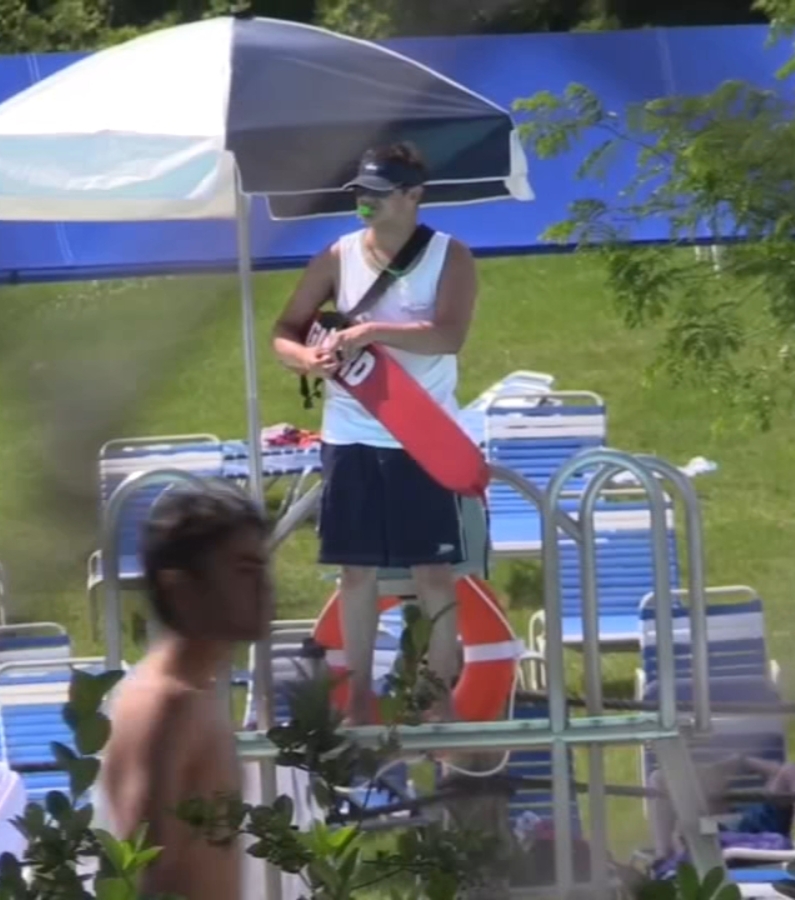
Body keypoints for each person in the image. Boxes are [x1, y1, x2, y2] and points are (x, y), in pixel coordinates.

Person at [270, 141, 479, 725]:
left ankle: (438, 701)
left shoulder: (449, 256)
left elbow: (448, 336)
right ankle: (360, 699)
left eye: (377, 193)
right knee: (355, 572)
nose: (364, 202)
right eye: (360, 191)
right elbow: (285, 330)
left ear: (413, 196)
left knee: (433, 573)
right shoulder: (336, 256)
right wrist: (304, 361)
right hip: (351, 431)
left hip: (421, 431)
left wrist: (370, 332)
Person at [99, 483, 275, 900]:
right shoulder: (167, 705)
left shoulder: (197, 692)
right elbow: (143, 874)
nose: (265, 588)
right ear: (181, 586)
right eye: (245, 571)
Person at [645, 754, 795, 860]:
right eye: (698, 774)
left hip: (756, 829)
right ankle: (662, 857)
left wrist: (743, 761)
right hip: (709, 835)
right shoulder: (689, 824)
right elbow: (658, 779)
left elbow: (780, 770)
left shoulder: (756, 815)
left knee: (793, 769)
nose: (705, 778)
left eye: (709, 772)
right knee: (657, 777)